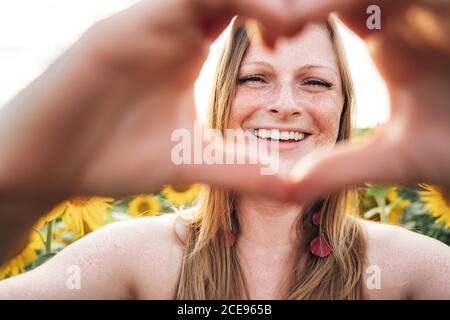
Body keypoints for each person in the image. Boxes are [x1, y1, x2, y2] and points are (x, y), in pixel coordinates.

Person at [1, 11, 449, 299]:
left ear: (344, 109)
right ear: (219, 103)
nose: (286, 104)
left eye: (315, 82)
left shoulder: (413, 271)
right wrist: (21, 187)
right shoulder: (130, 257)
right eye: (255, 79)